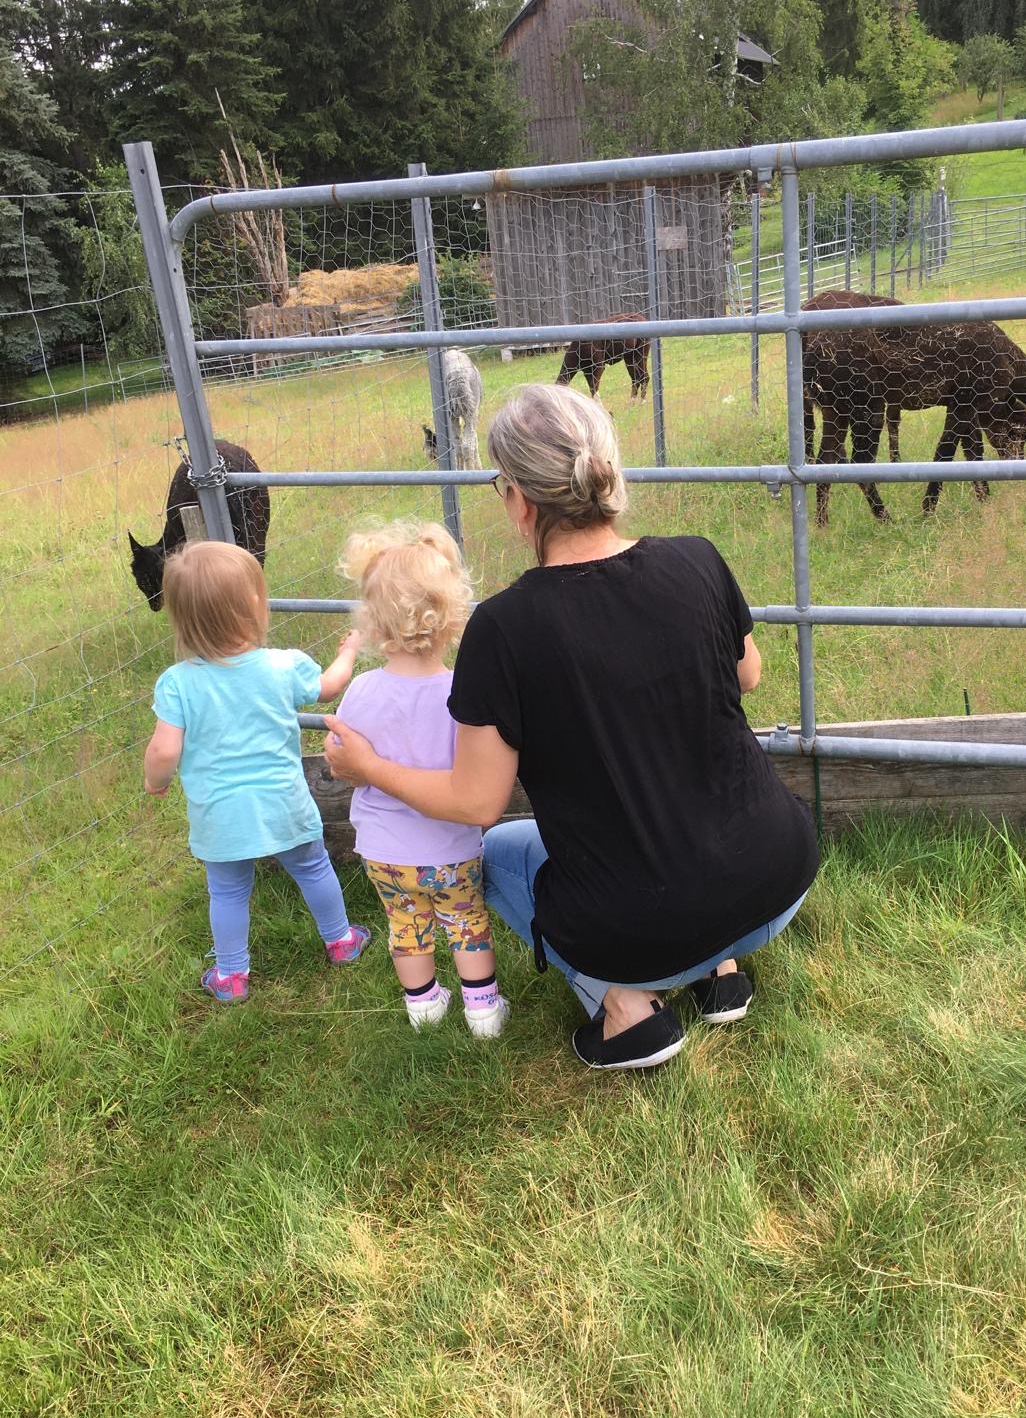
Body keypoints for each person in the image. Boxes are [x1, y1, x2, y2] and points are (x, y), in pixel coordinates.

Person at [324, 385, 820, 1070]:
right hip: (778, 877)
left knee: (493, 850)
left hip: (643, 927)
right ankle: (722, 972)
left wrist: (368, 769)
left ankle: (626, 1010)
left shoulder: (503, 629)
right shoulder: (698, 559)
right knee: (685, 817)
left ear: (521, 500)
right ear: (606, 473)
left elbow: (475, 802)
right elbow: (748, 674)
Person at [143, 540, 370, 1002]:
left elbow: (165, 750)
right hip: (283, 802)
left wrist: (155, 781)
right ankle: (341, 941)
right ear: (253, 607)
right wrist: (348, 651)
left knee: (226, 891)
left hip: (219, 814)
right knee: (312, 866)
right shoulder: (282, 666)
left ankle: (231, 975)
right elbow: (329, 688)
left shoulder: (178, 683)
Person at [334, 520, 508, 1037]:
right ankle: (483, 1013)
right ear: (452, 616)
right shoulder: (462, 693)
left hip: (385, 851)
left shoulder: (361, 691)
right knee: (466, 921)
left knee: (406, 925)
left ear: (373, 621)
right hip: (451, 847)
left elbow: (342, 754)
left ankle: (424, 1008)